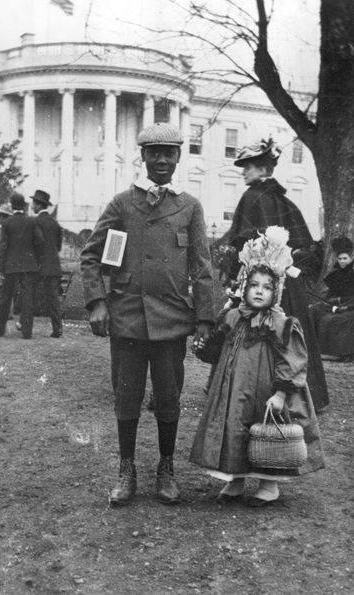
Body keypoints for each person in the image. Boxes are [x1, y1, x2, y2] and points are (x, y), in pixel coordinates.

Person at [80, 122, 214, 506]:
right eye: (153, 152)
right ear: (142, 156)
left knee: (169, 396)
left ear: (178, 157)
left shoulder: (189, 206)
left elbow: (202, 265)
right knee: (126, 395)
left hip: (171, 319)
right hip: (128, 319)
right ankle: (126, 470)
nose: (160, 160)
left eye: (168, 153)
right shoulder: (123, 204)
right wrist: (98, 302)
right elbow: (92, 256)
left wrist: (205, 317)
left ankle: (166, 468)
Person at [190, 229, 324, 507]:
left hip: (267, 388)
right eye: (254, 285)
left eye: (266, 286)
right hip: (234, 385)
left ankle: (268, 484)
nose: (260, 291)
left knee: (267, 432)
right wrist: (205, 344)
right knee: (234, 426)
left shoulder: (281, 323)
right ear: (244, 287)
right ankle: (235, 478)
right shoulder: (234, 316)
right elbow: (218, 347)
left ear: (276, 291)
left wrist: (282, 393)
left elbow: (292, 359)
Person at [222, 136, 329, 412]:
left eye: (248, 166)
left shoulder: (252, 197)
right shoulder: (286, 202)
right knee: (289, 333)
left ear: (261, 169)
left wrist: (234, 274)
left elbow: (240, 244)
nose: (244, 171)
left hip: (259, 286)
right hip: (288, 287)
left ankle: (255, 393)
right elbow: (306, 247)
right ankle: (305, 394)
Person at [0, 192, 45, 339]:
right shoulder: (31, 222)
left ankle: (0, 329)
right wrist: (35, 258)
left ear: (12, 204)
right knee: (27, 298)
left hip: (10, 265)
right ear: (23, 205)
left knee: (5, 297)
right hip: (28, 265)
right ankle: (27, 332)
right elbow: (40, 241)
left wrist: (1, 268)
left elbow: (3, 247)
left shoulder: (7, 223)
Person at [31, 189, 64, 338]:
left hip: (38, 265)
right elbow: (58, 247)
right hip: (54, 266)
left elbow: (36, 244)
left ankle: (25, 324)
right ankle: (58, 329)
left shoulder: (35, 221)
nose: (32, 205)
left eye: (33, 202)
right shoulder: (55, 223)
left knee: (28, 294)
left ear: (38, 205)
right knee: (53, 299)